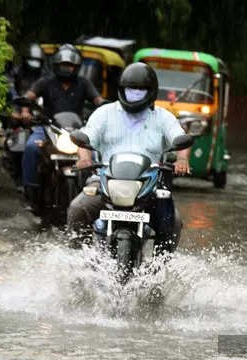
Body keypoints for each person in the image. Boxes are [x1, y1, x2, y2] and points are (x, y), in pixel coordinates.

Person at [67, 62, 191, 253]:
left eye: (140, 89)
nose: (135, 93)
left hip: (149, 186)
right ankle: (80, 259)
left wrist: (182, 159)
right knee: (77, 209)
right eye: (130, 89)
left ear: (151, 91)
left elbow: (178, 137)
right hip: (105, 182)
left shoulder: (163, 117)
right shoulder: (104, 113)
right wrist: (84, 158)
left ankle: (160, 268)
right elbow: (86, 138)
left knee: (173, 221)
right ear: (121, 90)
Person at [20, 44, 103, 211]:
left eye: (70, 65)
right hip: (47, 127)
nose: (67, 68)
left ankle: (96, 191)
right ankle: (31, 190)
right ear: (56, 65)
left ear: (76, 67)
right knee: (31, 148)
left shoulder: (83, 83)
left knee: (96, 154)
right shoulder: (46, 81)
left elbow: (97, 100)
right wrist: (24, 109)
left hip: (77, 131)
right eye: (63, 65)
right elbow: (30, 95)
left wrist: (106, 106)